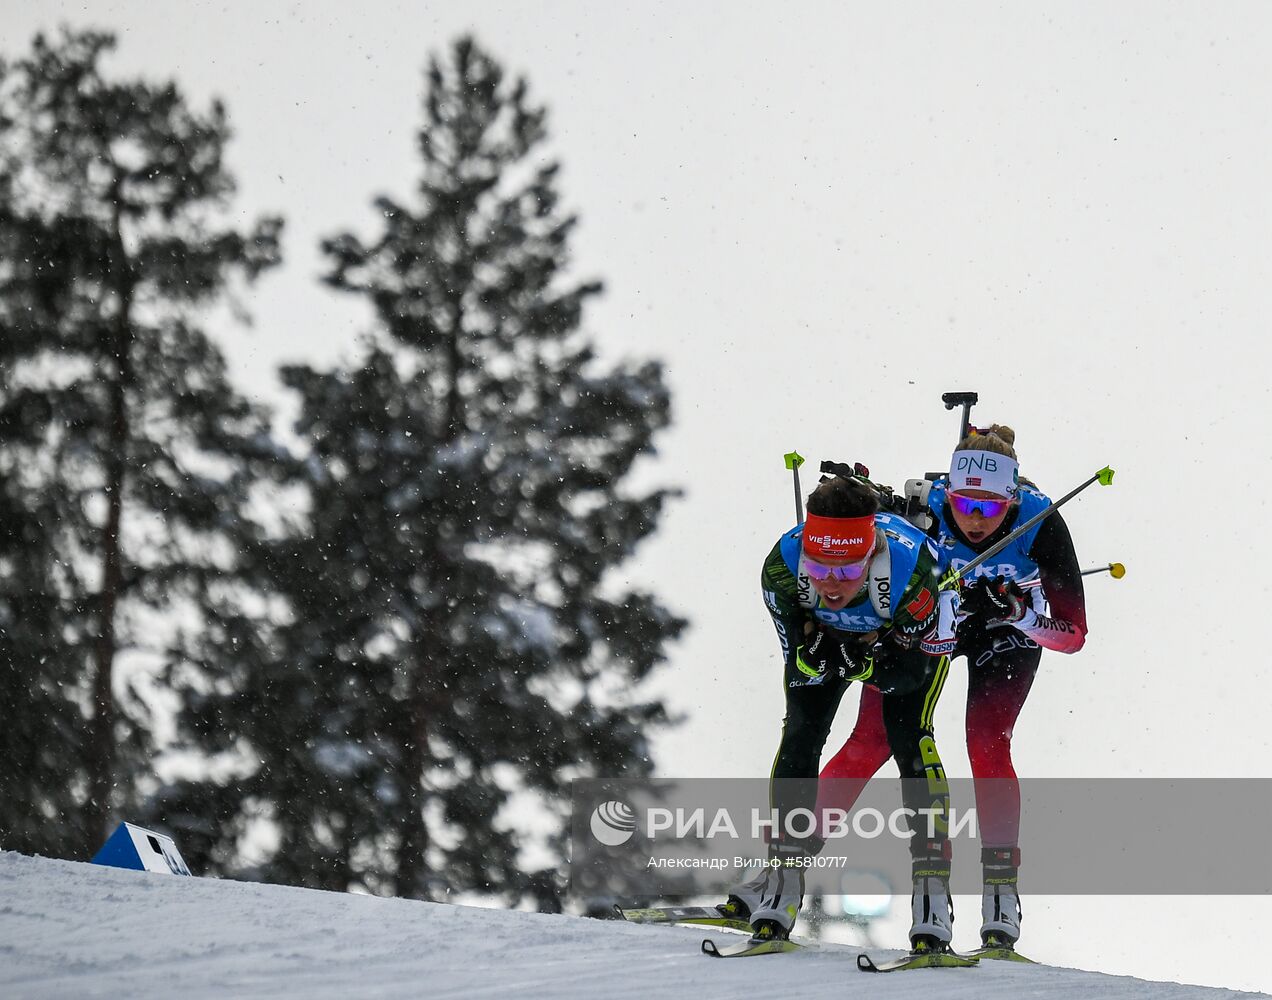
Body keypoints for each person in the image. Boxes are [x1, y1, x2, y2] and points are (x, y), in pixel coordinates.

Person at [818, 425, 1088, 950]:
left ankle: (1000, 901)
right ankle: (780, 873)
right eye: (964, 504)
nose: (974, 520)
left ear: (1013, 498)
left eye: (990, 510)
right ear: (948, 491)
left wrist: (1017, 614)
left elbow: (1074, 635)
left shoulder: (1040, 521)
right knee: (869, 742)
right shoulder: (923, 509)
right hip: (928, 626)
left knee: (986, 746)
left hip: (1004, 634)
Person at [718, 472, 959, 951]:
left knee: (910, 736)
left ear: (870, 557)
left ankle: (931, 900)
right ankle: (782, 885)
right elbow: (798, 665)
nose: (831, 584)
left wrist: (870, 661)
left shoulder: (916, 572)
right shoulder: (783, 568)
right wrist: (818, 655)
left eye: (847, 572)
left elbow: (910, 675)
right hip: (848, 637)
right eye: (820, 568)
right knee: (801, 733)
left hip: (906, 639)